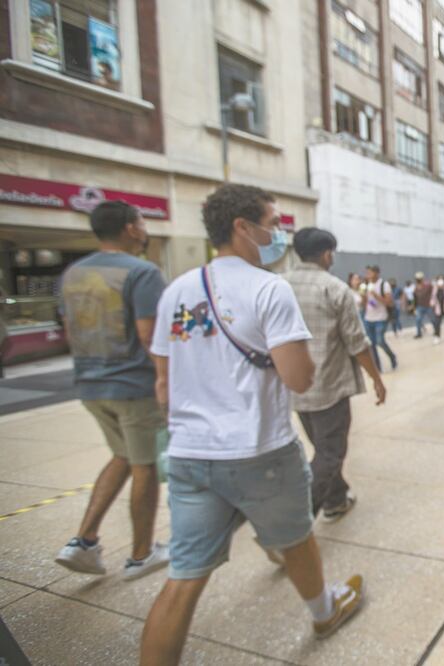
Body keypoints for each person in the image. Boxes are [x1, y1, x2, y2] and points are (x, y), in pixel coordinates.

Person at [140, 184, 361, 664]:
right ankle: (324, 611)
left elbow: (162, 384)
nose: (278, 233)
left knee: (184, 578)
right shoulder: (268, 288)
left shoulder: (177, 290)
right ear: (243, 227)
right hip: (260, 451)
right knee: (296, 540)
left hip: (189, 454)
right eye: (273, 223)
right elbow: (299, 378)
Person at [53, 200, 170, 580]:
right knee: (144, 464)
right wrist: (167, 381)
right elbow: (149, 335)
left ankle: (83, 542)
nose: (145, 228)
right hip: (133, 387)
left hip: (90, 384)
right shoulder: (142, 272)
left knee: (122, 455)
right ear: (130, 228)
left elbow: (69, 331)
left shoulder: (72, 273)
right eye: (142, 222)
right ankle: (141, 554)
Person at [284, 229, 387, 521]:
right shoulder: (334, 288)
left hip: (294, 388)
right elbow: (357, 342)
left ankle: (336, 499)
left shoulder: (279, 285)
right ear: (327, 253)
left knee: (323, 450)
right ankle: (296, 523)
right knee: (330, 454)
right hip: (329, 388)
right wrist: (376, 379)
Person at [364, 265, 397, 371]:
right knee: (371, 344)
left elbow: (389, 302)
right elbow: (366, 302)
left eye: (370, 273)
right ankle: (377, 367)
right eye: (367, 273)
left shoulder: (384, 285)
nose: (368, 275)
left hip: (381, 318)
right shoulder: (366, 284)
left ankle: (392, 356)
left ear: (377, 273)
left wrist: (375, 295)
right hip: (368, 318)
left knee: (380, 341)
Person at [413, 272, 433, 339]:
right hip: (420, 307)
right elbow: (415, 297)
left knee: (433, 319)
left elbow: (433, 293)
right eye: (417, 279)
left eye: (419, 279)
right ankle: (419, 333)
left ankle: (436, 331)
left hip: (428, 306)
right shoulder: (416, 287)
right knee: (418, 320)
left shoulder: (428, 285)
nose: (418, 280)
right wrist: (414, 307)